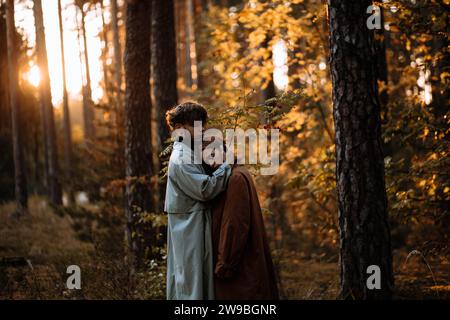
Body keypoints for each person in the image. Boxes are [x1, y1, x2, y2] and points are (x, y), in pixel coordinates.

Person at [164, 102, 232, 300]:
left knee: (194, 281)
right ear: (179, 128)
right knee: (190, 284)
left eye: (202, 124)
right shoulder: (181, 157)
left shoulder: (190, 152)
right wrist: (227, 166)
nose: (201, 129)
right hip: (188, 229)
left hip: (193, 225)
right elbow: (205, 189)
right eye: (195, 125)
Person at [210, 164, 279, 299]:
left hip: (241, 273)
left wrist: (225, 265)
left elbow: (234, 225)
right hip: (244, 267)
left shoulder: (235, 178)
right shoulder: (238, 173)